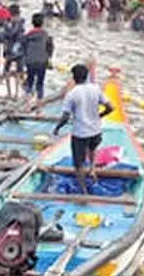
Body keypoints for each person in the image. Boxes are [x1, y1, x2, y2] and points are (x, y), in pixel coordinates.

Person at [52, 64, 114, 195]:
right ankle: (92, 169)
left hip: (80, 133)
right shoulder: (96, 89)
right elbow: (110, 107)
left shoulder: (72, 94)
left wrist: (57, 128)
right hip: (95, 130)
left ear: (74, 77)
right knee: (92, 148)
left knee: (78, 164)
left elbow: (65, 116)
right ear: (86, 76)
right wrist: (99, 116)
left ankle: (83, 191)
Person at [21, 13, 53, 101]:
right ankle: (39, 102)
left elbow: (23, 47)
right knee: (40, 83)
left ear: (32, 23)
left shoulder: (27, 35)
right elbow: (50, 48)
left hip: (30, 61)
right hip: (42, 61)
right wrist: (49, 58)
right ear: (42, 23)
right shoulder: (46, 35)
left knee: (30, 81)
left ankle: (27, 100)